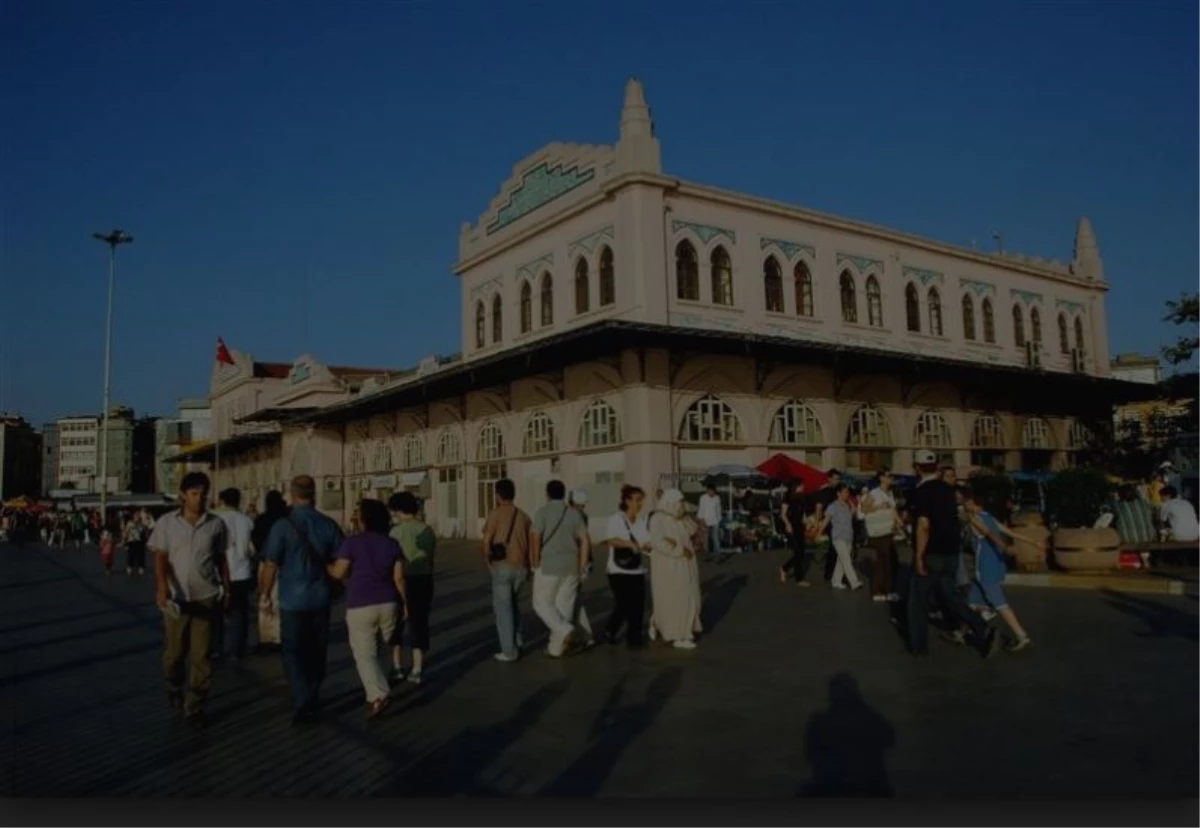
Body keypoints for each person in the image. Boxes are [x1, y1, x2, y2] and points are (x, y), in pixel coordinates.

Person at [259, 475, 345, 725]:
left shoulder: (282, 526)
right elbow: (343, 560)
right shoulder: (328, 524)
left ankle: (302, 698)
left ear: (292, 493)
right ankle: (313, 691)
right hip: (320, 598)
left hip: (291, 600)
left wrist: (264, 593)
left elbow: (270, 564)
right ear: (314, 493)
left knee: (292, 651)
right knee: (317, 650)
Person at [148, 472, 231, 727]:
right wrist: (162, 587)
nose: (200, 498)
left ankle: (195, 704)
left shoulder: (216, 524)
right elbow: (161, 557)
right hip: (177, 597)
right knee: (174, 654)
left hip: (206, 596)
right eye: (195, 493)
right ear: (183, 495)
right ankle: (173, 686)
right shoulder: (166, 523)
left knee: (201, 655)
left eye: (204, 493)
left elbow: (221, 559)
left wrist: (227, 588)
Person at [906, 450, 999, 659]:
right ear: (937, 466)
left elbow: (923, 525)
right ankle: (981, 626)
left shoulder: (921, 492)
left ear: (917, 467)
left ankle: (918, 647)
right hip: (950, 552)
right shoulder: (948, 490)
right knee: (950, 595)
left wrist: (919, 555)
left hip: (932, 553)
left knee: (917, 601)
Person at [329, 498, 406, 720]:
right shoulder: (392, 544)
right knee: (381, 647)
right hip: (389, 603)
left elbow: (339, 573)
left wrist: (327, 567)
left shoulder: (352, 543)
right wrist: (405, 603)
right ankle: (376, 692)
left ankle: (378, 694)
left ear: (363, 519)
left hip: (360, 604)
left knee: (364, 654)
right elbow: (399, 577)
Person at [962, 487, 1032, 652]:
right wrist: (1033, 542)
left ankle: (1021, 635)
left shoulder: (976, 519)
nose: (964, 505)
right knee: (971, 602)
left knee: (1000, 603)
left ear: (972, 503)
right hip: (998, 564)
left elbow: (990, 535)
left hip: (985, 567)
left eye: (966, 502)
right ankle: (963, 630)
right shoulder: (989, 517)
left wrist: (1005, 547)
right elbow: (1010, 532)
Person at [530, 480, 592, 658]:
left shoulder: (542, 512)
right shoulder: (574, 514)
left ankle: (564, 630)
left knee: (541, 603)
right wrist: (583, 565)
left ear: (547, 494)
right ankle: (555, 649)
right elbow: (585, 541)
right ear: (564, 494)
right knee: (564, 607)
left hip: (549, 564)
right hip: (571, 565)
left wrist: (535, 561)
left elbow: (535, 538)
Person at [388, 491, 437, 685]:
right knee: (419, 622)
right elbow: (431, 558)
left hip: (401, 578)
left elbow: (392, 561)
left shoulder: (395, 532)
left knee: (397, 623)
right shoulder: (427, 530)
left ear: (398, 510)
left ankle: (397, 667)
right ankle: (417, 668)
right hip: (424, 579)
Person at [481, 479, 532, 662]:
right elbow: (532, 543)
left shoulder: (495, 514)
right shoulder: (524, 516)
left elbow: (486, 540)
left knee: (503, 610)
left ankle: (509, 651)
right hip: (521, 567)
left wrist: (488, 561)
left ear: (498, 495)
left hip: (502, 566)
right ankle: (517, 640)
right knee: (514, 605)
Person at [648, 489, 703, 649]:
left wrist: (684, 517)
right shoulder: (657, 519)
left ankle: (661, 624)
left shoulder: (679, 518)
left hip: (686, 565)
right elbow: (658, 542)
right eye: (677, 502)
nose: (679, 505)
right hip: (669, 567)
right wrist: (678, 550)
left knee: (690, 596)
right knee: (674, 599)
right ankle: (679, 635)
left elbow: (693, 530)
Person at [603, 484, 652, 649]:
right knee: (624, 604)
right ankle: (610, 629)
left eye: (641, 501)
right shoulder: (616, 518)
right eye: (637, 500)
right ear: (627, 501)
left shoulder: (640, 521)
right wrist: (628, 543)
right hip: (618, 570)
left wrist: (648, 546)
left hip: (637, 569)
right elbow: (611, 540)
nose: (640, 504)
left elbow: (645, 542)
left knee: (638, 605)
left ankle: (634, 639)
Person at [214, 488, 256, 664]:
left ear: (222, 501)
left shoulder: (217, 520)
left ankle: (217, 648)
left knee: (217, 612)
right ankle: (238, 648)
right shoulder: (247, 520)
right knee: (240, 612)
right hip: (243, 571)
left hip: (222, 572)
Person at [252, 490, 288, 653]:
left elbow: (255, 540)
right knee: (280, 599)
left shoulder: (262, 520)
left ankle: (267, 638)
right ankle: (280, 635)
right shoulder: (286, 518)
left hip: (266, 562)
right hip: (286, 563)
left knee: (265, 598)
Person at [861, 470, 902, 602]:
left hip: (888, 530)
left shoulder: (889, 493)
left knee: (885, 561)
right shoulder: (874, 493)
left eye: (892, 476)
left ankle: (883, 590)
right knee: (887, 561)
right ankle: (884, 590)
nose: (891, 478)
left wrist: (899, 524)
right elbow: (864, 509)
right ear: (881, 478)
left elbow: (893, 510)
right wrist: (879, 507)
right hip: (878, 531)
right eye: (889, 476)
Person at [817, 484, 862, 591]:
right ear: (838, 493)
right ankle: (854, 582)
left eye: (848, 492)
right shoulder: (832, 506)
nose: (847, 494)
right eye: (845, 492)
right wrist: (819, 532)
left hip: (848, 537)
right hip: (838, 537)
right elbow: (826, 520)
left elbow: (850, 517)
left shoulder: (847, 505)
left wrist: (854, 507)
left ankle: (836, 581)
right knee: (846, 560)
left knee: (841, 561)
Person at [779, 479, 811, 587]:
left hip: (800, 526)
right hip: (791, 526)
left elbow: (803, 513)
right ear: (796, 486)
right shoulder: (788, 497)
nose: (803, 487)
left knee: (801, 553)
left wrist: (806, 522)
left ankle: (784, 568)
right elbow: (783, 514)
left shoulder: (802, 498)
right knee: (798, 552)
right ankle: (799, 579)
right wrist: (788, 525)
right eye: (802, 485)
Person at [697, 484, 723, 561]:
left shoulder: (717, 498)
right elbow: (701, 509)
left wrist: (719, 519)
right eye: (710, 491)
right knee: (706, 539)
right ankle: (707, 555)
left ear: (714, 491)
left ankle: (717, 554)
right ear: (707, 490)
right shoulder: (703, 498)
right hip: (706, 521)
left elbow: (719, 509)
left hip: (715, 521)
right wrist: (701, 520)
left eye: (712, 491)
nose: (711, 492)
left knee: (715, 538)